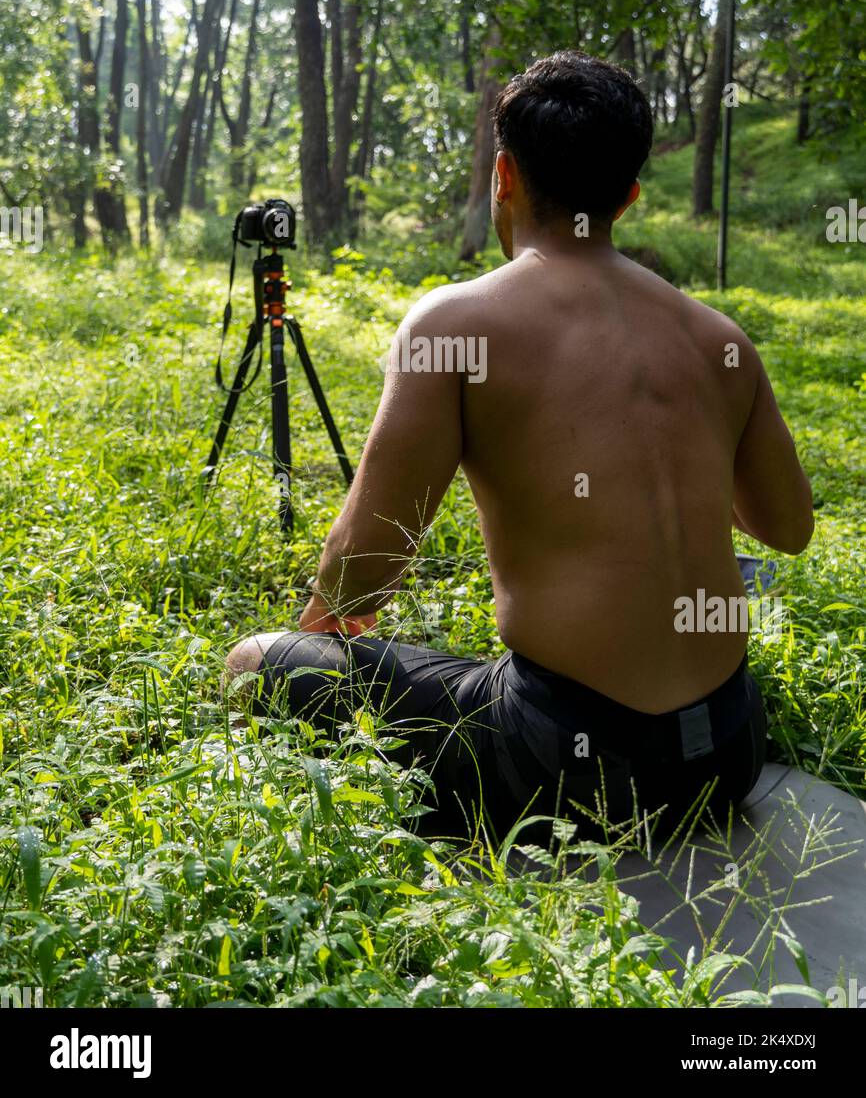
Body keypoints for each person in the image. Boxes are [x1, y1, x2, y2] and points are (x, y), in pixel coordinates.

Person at [225, 51, 814, 846]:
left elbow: (367, 563)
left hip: (565, 766)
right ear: (630, 196)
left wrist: (312, 653)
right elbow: (787, 527)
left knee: (254, 661)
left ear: (503, 175)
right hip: (729, 752)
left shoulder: (455, 324)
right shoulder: (718, 338)